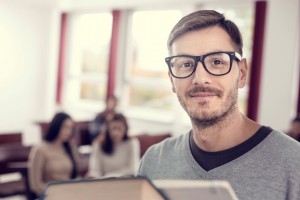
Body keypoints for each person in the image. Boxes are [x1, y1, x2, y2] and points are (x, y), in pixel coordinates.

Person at [138, 10, 300, 200]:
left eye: (216, 62)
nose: (200, 79)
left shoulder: (294, 164)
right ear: (172, 80)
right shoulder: (154, 162)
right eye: (185, 64)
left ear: (241, 73)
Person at [28, 112, 79, 197]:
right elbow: (35, 185)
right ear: (56, 126)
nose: (68, 132)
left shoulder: (70, 148)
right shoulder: (40, 149)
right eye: (65, 127)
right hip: (50, 195)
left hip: (69, 194)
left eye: (71, 128)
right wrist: (56, 194)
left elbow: (74, 177)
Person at [88, 113, 140, 178]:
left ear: (125, 129)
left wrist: (111, 176)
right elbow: (95, 170)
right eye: (113, 128)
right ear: (108, 129)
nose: (116, 133)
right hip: (104, 183)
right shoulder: (98, 143)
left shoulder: (132, 142)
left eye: (119, 129)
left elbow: (133, 169)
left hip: (126, 181)